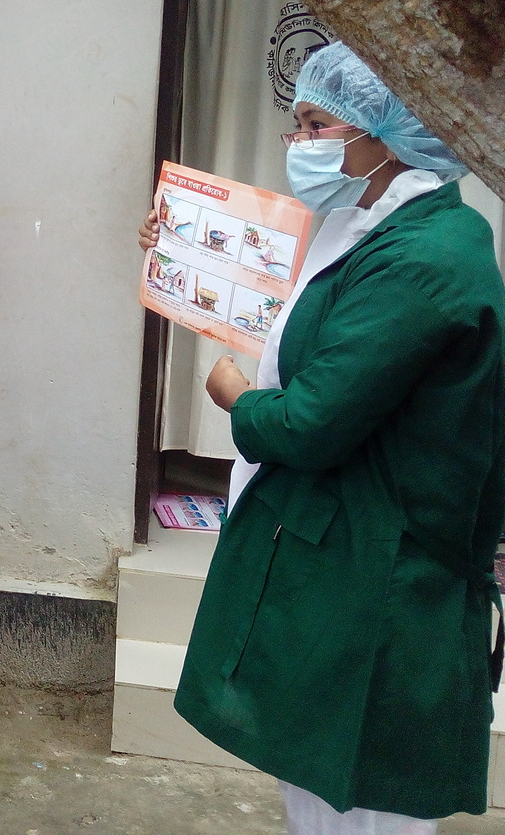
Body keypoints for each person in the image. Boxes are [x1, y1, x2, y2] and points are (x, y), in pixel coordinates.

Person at [140, 42, 505, 833]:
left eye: (315, 123)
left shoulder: (424, 259)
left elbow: (309, 422)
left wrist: (238, 399)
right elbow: (302, 312)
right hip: (343, 556)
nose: (299, 145)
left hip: (380, 579)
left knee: (362, 803)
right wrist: (183, 250)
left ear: (385, 131)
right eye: (294, 125)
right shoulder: (378, 229)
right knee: (321, 793)